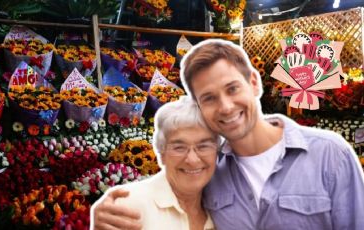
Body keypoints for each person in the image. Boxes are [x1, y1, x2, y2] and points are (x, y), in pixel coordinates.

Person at [92, 39, 364, 230]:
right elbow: (171, 187)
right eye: (209, 98)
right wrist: (108, 212)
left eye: (232, 88)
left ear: (254, 83)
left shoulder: (330, 155)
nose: (225, 106)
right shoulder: (209, 171)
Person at [92, 96, 221, 230]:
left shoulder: (226, 210)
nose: (192, 159)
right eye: (179, 147)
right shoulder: (132, 207)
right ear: (162, 153)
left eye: (203, 146)